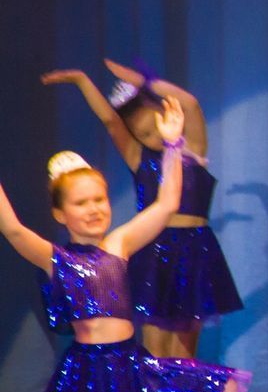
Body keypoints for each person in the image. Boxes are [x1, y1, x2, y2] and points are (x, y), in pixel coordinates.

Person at [1, 98, 248, 392]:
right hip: (87, 375)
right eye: (81, 203)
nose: (94, 209)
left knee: (225, 389)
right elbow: (11, 229)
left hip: (130, 365)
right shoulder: (54, 258)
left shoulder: (118, 244)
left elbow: (166, 204)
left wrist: (173, 146)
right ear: (60, 214)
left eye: (99, 199)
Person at [42, 61, 242, 358]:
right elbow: (111, 121)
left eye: (155, 126)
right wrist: (83, 81)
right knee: (154, 348)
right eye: (144, 135)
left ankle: (182, 390)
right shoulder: (139, 158)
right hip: (154, 251)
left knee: (184, 351)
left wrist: (145, 82)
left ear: (167, 112)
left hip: (194, 250)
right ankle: (149, 389)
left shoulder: (193, 149)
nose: (154, 137)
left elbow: (190, 102)